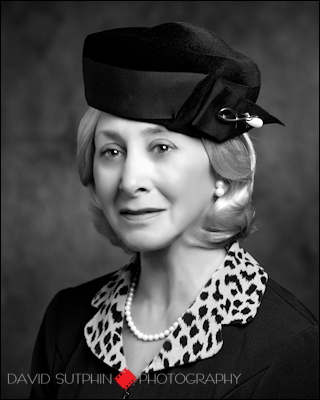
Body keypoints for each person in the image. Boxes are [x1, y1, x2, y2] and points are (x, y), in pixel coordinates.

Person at [29, 22, 319, 399]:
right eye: (112, 152)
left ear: (222, 173)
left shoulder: (288, 347)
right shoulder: (65, 320)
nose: (130, 181)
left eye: (161, 148)